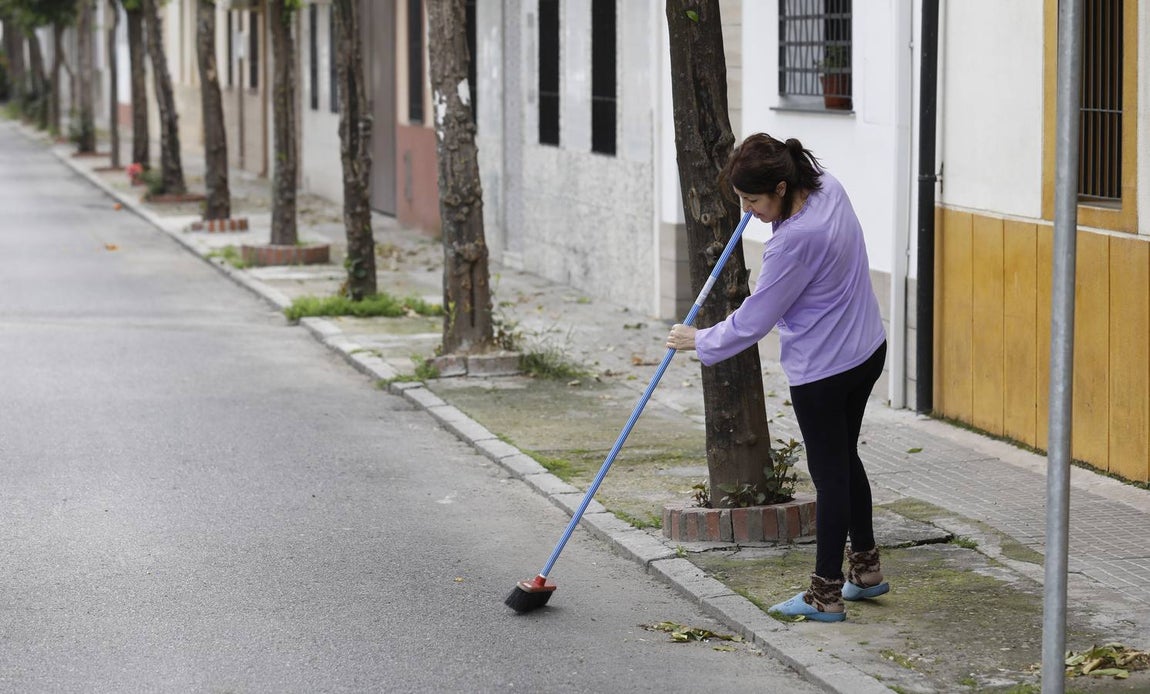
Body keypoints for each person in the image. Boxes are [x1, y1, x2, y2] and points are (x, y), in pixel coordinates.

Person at [666, 133, 888, 622]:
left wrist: (697, 340)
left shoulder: (793, 243)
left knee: (830, 478)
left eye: (752, 200)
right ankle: (866, 570)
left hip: (825, 371)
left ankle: (825, 595)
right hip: (867, 348)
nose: (747, 210)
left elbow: (754, 319)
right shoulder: (829, 187)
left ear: (782, 187)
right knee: (844, 459)